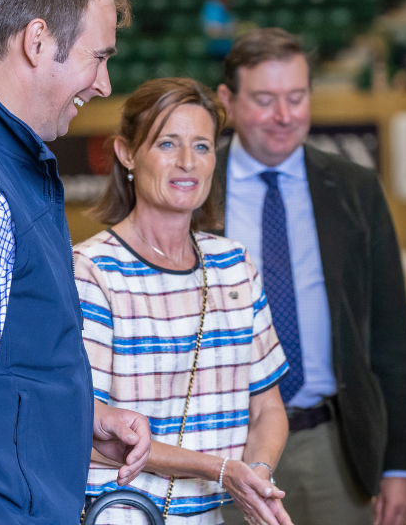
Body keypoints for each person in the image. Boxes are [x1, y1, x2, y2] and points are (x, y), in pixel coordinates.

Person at [212, 28, 406, 525]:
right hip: (223, 449)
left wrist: (401, 464)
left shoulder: (354, 188)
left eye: (296, 97)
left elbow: (391, 333)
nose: (284, 116)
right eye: (265, 100)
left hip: (335, 446)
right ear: (228, 100)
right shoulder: (197, 191)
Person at [0, 0, 153, 524]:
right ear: (35, 42)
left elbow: (9, 361)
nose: (104, 84)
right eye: (98, 57)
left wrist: (78, 415)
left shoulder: (13, 158)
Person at [79, 78, 292, 525]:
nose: (186, 163)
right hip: (120, 515)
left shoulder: (234, 264)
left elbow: (268, 406)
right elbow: (87, 424)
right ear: (126, 153)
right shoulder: (91, 270)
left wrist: (256, 473)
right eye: (167, 144)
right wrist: (219, 469)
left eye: (201, 146)